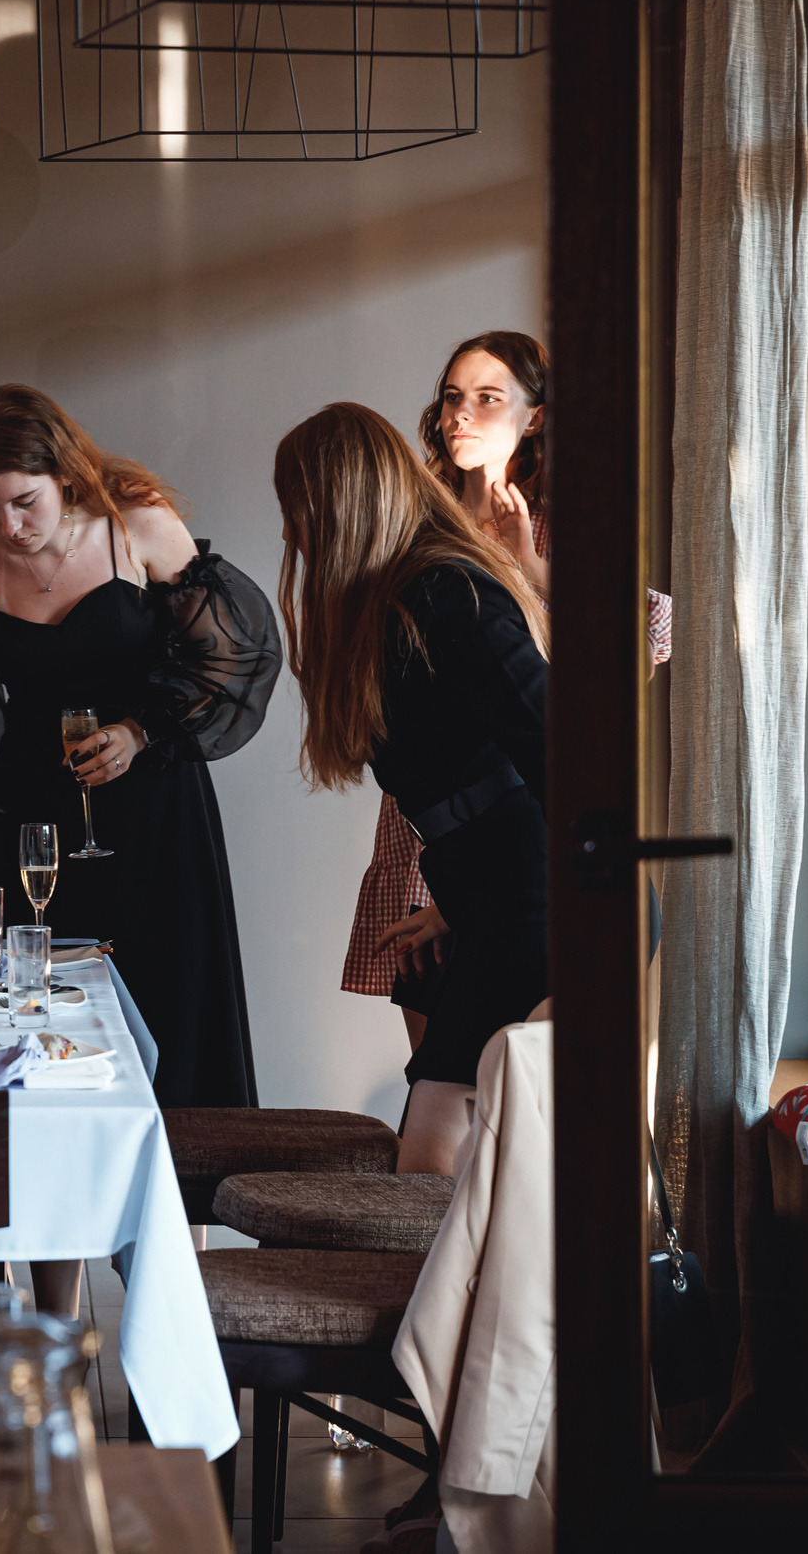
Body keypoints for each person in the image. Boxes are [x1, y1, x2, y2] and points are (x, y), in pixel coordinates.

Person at [0, 384, 279, 1108]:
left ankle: (186, 1214)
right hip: (36, 815)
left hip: (155, 805)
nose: (7, 525)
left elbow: (230, 662)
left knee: (177, 1004)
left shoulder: (136, 524)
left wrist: (140, 731)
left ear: (66, 476)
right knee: (39, 1011)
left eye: (24, 502)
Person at [343, 332, 670, 1032]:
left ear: (536, 415)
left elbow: (643, 644)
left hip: (525, 820)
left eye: (489, 399)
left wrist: (530, 566)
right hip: (425, 826)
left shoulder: (562, 523)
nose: (463, 414)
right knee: (436, 1055)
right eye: (453, 398)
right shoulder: (413, 521)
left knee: (521, 1074)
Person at [275, 402, 548, 1172]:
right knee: (440, 1130)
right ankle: (458, 1296)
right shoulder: (403, 598)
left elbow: (560, 745)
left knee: (435, 1135)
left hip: (543, 899)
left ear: (339, 504)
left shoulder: (446, 595)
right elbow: (478, 787)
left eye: (298, 510)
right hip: (501, 895)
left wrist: (557, 896)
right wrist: (454, 904)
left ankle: (440, 1296)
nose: (293, 534)